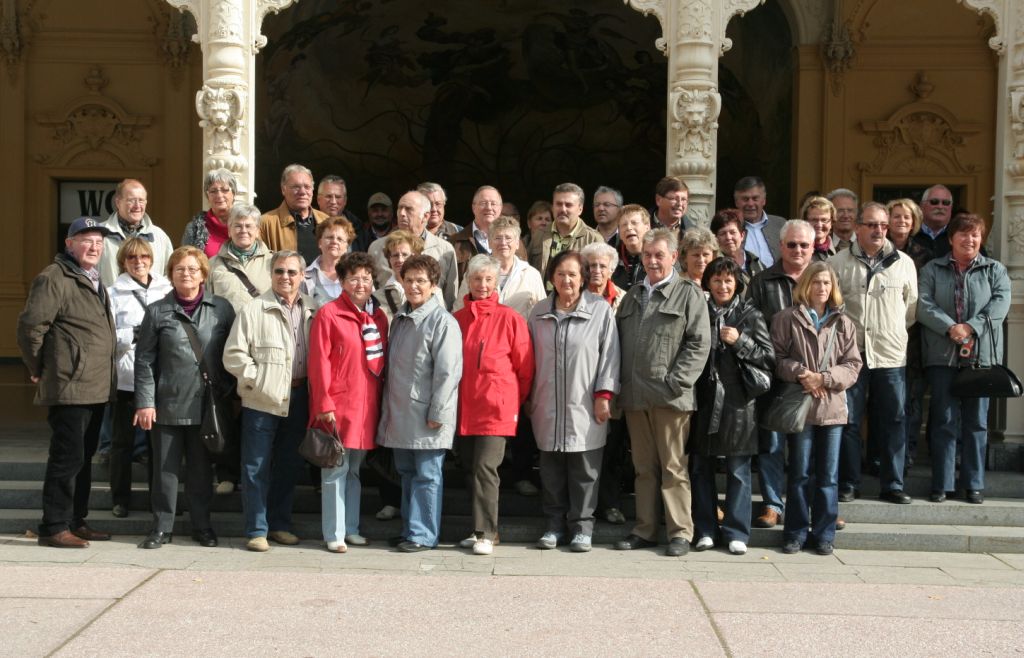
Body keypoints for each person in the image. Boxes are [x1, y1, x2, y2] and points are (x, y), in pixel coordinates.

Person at [17, 217, 117, 548]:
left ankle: (76, 520)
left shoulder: (92, 278)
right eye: (86, 240)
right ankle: (54, 525)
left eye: (99, 243)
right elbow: (31, 327)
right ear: (69, 244)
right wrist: (39, 367)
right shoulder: (54, 277)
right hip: (69, 386)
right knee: (67, 458)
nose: (93, 247)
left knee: (83, 458)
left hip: (95, 386)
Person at [615, 228, 710, 557]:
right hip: (635, 397)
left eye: (659, 255)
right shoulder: (632, 295)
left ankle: (680, 532)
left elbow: (699, 344)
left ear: (673, 257)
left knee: (673, 468)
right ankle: (644, 529)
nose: (652, 260)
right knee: (644, 468)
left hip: (670, 397)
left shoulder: (688, 294)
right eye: (647, 255)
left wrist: (676, 382)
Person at [134, 246, 236, 549]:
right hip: (166, 403)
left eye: (192, 268)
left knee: (201, 471)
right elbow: (144, 361)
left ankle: (202, 525)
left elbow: (231, 354)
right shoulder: (156, 311)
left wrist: (232, 394)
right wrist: (145, 402)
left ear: (203, 273)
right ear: (171, 274)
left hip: (207, 405)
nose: (186, 274)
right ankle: (161, 527)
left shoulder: (222, 308)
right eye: (180, 269)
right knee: (164, 471)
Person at [223, 251, 314, 552]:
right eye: (279, 271)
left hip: (300, 396)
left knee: (289, 464)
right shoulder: (254, 309)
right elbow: (234, 355)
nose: (285, 277)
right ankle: (256, 529)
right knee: (255, 466)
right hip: (261, 399)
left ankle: (280, 524)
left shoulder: (313, 309)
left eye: (291, 272)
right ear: (271, 274)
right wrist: (257, 381)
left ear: (302, 276)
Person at [529, 251, 620, 552]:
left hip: (584, 404)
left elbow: (610, 357)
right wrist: (528, 395)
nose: (566, 280)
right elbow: (528, 358)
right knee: (552, 469)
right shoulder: (538, 312)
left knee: (585, 470)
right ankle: (554, 526)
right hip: (547, 403)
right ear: (551, 277)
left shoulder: (599, 310)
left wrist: (604, 395)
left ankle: (582, 527)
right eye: (560, 274)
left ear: (583, 279)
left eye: (573, 274)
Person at [917, 213, 1011, 504]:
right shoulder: (933, 268)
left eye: (975, 235)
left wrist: (971, 328)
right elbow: (922, 303)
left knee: (976, 422)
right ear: (951, 238)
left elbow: (1000, 304)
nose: (969, 240)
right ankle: (942, 483)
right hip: (942, 354)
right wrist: (951, 328)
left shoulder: (995, 270)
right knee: (944, 420)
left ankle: (973, 483)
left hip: (980, 356)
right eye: (963, 234)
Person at [830, 202, 918, 504]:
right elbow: (833, 307)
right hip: (852, 355)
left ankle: (892, 484)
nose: (879, 230)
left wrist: (888, 330)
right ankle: (849, 483)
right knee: (850, 420)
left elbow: (910, 309)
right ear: (857, 228)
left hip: (890, 355)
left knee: (894, 419)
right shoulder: (838, 262)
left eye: (882, 225)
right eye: (871, 224)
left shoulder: (903, 262)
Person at [772, 262, 862, 556]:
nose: (821, 288)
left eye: (826, 283)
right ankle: (795, 532)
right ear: (805, 285)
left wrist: (823, 378)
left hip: (833, 408)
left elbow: (853, 366)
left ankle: (824, 533)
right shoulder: (787, 318)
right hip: (801, 406)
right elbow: (777, 358)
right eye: (816, 282)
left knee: (828, 475)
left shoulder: (843, 322)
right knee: (799, 472)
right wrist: (802, 374)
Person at [377, 255, 463, 552]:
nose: (414, 286)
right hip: (400, 414)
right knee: (407, 474)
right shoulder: (400, 319)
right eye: (409, 280)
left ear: (433, 285)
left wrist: (438, 411)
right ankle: (409, 529)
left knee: (427, 476)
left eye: (421, 281)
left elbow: (448, 372)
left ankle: (424, 534)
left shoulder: (443, 322)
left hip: (427, 414)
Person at [691, 257, 774, 555]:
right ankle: (705, 529)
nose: (723, 285)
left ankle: (738, 530)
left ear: (737, 282)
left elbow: (768, 357)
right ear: (708, 283)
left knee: (738, 469)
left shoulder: (749, 313)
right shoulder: (698, 308)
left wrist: (740, 342)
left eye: (728, 280)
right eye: (717, 280)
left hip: (739, 401)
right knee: (701, 467)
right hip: (702, 398)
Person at [307, 252, 389, 553]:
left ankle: (351, 528)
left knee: (355, 470)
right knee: (334, 470)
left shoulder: (377, 317)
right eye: (353, 277)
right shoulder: (329, 314)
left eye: (366, 278)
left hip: (367, 406)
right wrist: (323, 403)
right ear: (341, 281)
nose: (360, 283)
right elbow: (319, 363)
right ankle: (334, 532)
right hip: (338, 405)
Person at [453, 255, 534, 555]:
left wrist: (512, 400)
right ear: (468, 281)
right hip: (465, 406)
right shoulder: (457, 319)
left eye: (489, 279)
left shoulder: (511, 318)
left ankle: (489, 531)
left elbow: (525, 369)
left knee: (486, 468)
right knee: (469, 468)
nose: (483, 285)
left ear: (497, 282)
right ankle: (477, 530)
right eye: (477, 279)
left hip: (495, 408)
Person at [747, 219, 815, 529]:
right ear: (780, 246)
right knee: (772, 446)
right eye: (792, 244)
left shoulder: (823, 280)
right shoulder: (763, 281)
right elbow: (753, 327)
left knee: (805, 449)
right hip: (774, 375)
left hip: (813, 379)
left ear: (813, 248)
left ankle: (806, 506)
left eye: (804, 245)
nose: (798, 250)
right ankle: (773, 504)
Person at [107, 237, 172, 518]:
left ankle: (158, 500)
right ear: (123, 261)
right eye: (132, 258)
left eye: (144, 257)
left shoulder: (166, 288)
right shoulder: (112, 292)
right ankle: (120, 499)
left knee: (159, 445)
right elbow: (107, 336)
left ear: (151, 259)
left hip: (160, 377)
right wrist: (132, 334)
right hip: (127, 377)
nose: (139, 262)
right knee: (122, 443)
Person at [581, 242, 628, 524]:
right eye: (591, 266)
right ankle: (582, 506)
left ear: (612, 269)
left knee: (614, 449)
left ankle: (610, 504)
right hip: (581, 385)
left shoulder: (625, 299)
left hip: (614, 385)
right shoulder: (574, 297)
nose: (596, 271)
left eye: (602, 266)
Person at [887, 197, 930, 468]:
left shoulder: (925, 255)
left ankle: (908, 453)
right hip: (883, 338)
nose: (902, 221)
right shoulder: (879, 251)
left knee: (911, 401)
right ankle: (881, 456)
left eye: (907, 217)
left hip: (913, 339)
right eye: (896, 216)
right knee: (885, 404)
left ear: (914, 222)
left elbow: (920, 299)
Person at [368, 190, 458, 308]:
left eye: (409, 209)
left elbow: (451, 298)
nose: (402, 214)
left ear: (425, 216)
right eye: (400, 208)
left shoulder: (445, 249)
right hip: (390, 321)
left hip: (431, 322)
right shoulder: (377, 248)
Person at [453, 216, 546, 319]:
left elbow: (541, 315)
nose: (503, 243)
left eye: (508, 238)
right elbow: (458, 311)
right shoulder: (475, 271)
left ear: (517, 243)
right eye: (498, 238)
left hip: (519, 334)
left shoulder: (532, 275)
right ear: (489, 242)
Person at [99, 179, 174, 287]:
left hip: (151, 303)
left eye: (141, 200)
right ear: (118, 202)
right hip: (110, 302)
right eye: (131, 200)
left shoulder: (160, 237)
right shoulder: (99, 234)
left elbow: (170, 275)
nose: (137, 206)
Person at [527, 183, 603, 279]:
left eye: (568, 205)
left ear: (580, 209)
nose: (563, 209)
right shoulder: (539, 234)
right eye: (558, 204)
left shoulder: (593, 239)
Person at [208, 203, 273, 312]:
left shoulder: (272, 262)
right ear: (229, 231)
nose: (243, 230)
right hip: (226, 328)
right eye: (238, 226)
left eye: (248, 226)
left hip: (261, 327)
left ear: (257, 231)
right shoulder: (213, 264)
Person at [259, 164, 328, 262]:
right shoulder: (265, 223)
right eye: (296, 187)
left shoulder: (327, 221)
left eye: (307, 187)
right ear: (283, 189)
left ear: (312, 190)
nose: (302, 192)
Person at [181, 168, 237, 259]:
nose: (219, 195)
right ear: (207, 196)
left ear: (234, 193)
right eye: (213, 191)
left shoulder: (246, 225)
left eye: (225, 190)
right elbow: (185, 260)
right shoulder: (194, 229)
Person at [451, 185, 504, 280]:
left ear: (500, 208)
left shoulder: (514, 243)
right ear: (473, 207)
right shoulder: (454, 242)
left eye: (493, 203)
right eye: (483, 203)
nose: (488, 207)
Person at [372, 230, 425, 323]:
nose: (400, 260)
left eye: (405, 255)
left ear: (414, 256)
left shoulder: (431, 292)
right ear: (389, 259)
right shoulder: (377, 297)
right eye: (395, 255)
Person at [302, 216, 356, 307]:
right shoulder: (304, 277)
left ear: (347, 247)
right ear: (320, 243)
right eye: (329, 237)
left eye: (340, 239)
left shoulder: (358, 274)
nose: (334, 241)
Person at [734, 176, 786, 267]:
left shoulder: (781, 225)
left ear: (764, 200)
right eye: (745, 199)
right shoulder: (730, 228)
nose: (750, 204)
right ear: (737, 202)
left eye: (755, 199)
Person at [710, 208, 764, 291]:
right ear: (715, 238)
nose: (728, 237)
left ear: (742, 235)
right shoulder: (713, 265)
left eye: (732, 232)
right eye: (723, 233)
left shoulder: (756, 262)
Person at [612, 204, 652, 290]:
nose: (629, 228)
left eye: (634, 223)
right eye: (624, 225)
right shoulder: (611, 259)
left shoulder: (660, 257)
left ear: (647, 227)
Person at [912, 184, 955, 263]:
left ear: (951, 208)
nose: (940, 206)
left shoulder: (960, 235)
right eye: (934, 202)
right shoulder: (909, 234)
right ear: (922, 206)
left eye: (946, 203)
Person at [802, 196, 839, 261]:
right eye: (814, 220)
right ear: (805, 221)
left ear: (832, 223)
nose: (819, 225)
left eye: (824, 220)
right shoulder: (796, 250)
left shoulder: (840, 251)